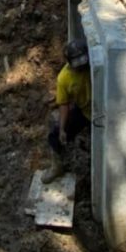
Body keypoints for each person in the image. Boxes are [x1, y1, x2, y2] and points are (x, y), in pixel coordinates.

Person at [42, 38, 91, 183]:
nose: (81, 66)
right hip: (85, 111)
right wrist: (63, 129)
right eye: (77, 63)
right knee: (55, 135)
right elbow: (64, 105)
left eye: (83, 60)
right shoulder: (64, 78)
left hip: (103, 111)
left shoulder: (93, 65)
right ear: (70, 62)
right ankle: (57, 166)